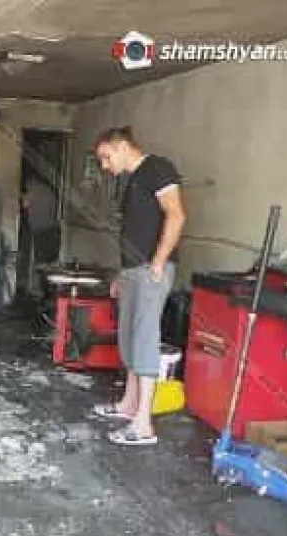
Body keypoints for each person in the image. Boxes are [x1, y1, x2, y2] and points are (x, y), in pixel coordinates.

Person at [90, 126, 186, 446]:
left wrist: (158, 261)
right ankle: (128, 406)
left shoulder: (157, 168)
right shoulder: (132, 180)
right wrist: (122, 275)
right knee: (129, 337)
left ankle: (143, 424)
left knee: (144, 339)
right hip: (133, 270)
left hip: (150, 270)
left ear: (122, 147)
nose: (105, 166)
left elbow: (176, 215)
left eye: (106, 157)